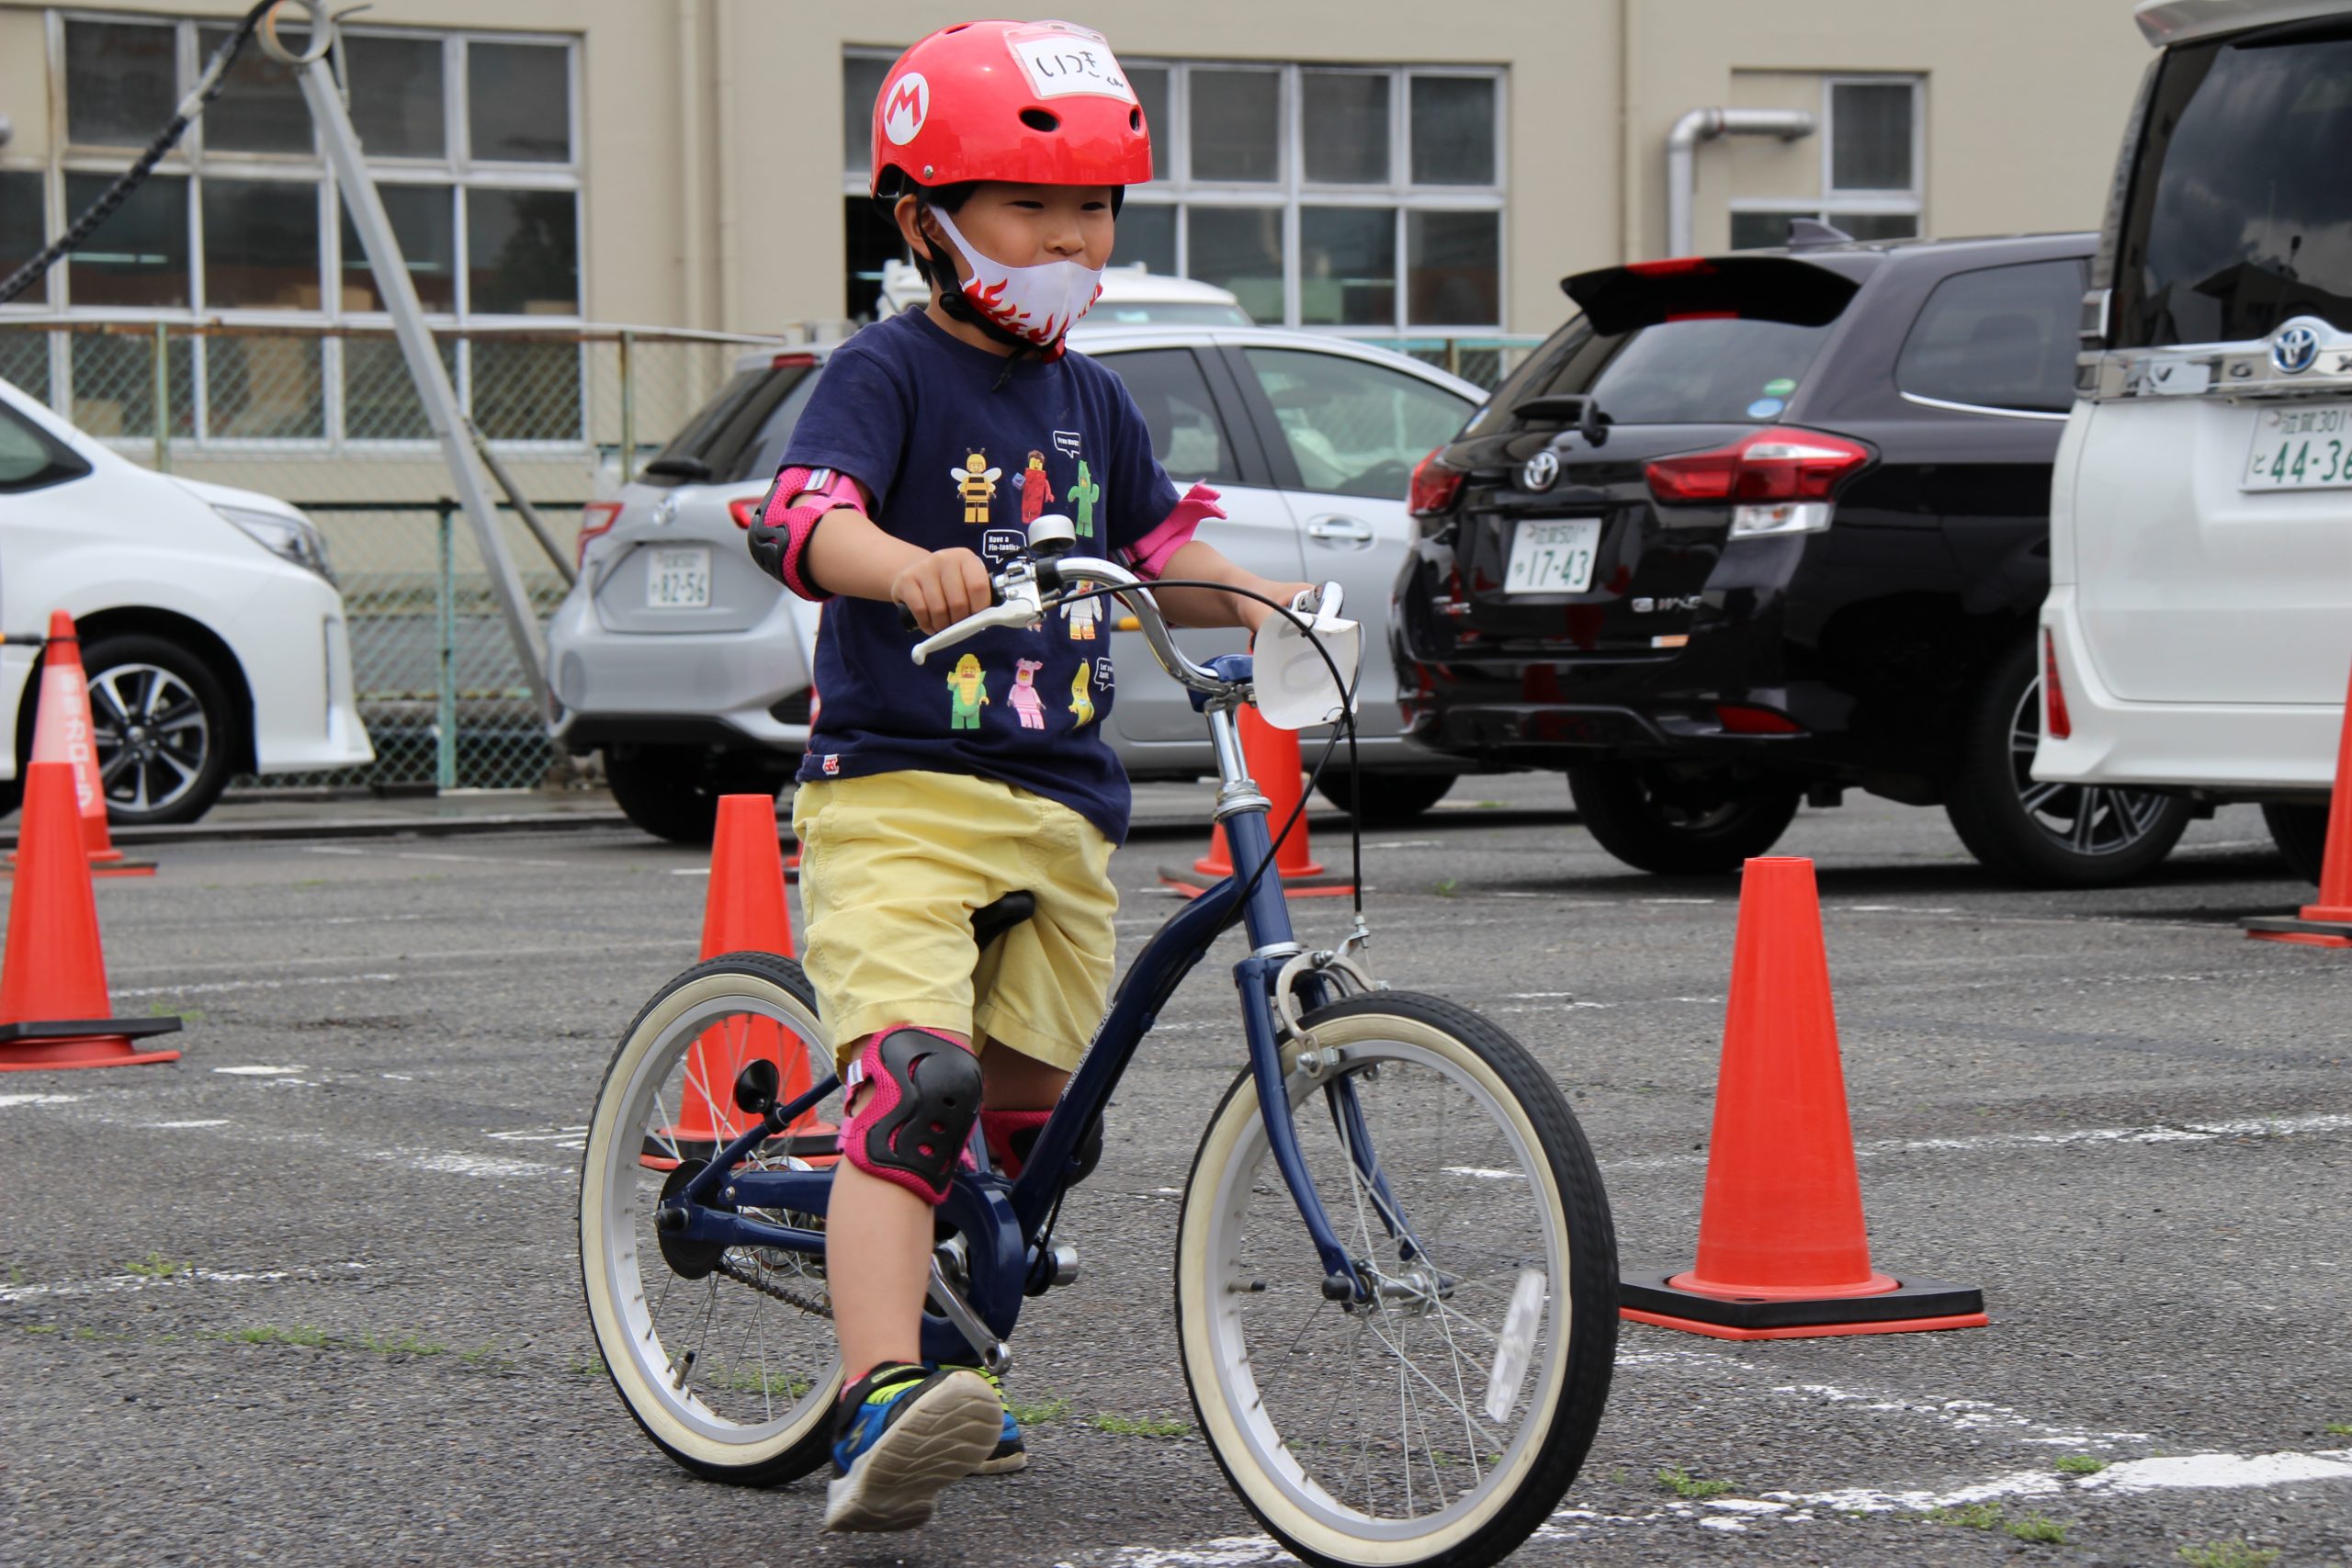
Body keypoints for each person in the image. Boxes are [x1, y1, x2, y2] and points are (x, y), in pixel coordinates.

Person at [743, 18, 1310, 1535]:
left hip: (1066, 808)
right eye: (1030, 207)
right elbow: (799, 516)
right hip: (902, 791)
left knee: (1035, 1125)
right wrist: (899, 565)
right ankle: (878, 1395)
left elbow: (1159, 546)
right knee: (916, 1087)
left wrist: (1258, 597)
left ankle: (952, 1348)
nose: (1071, 239)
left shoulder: (1094, 401)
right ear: (924, 219)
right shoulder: (890, 370)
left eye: (1095, 210)